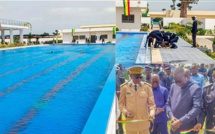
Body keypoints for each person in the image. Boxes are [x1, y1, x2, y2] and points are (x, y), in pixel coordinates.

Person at [118, 66, 156, 134]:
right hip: (131, 123)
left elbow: (152, 104)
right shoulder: (125, 87)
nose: (139, 79)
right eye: (136, 77)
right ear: (131, 76)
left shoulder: (147, 87)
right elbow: (121, 104)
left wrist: (152, 113)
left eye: (140, 77)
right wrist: (126, 113)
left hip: (143, 122)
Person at [166, 67, 202, 134]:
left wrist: (180, 121)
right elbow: (168, 104)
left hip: (188, 129)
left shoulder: (195, 88)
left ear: (187, 76)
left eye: (179, 81)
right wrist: (171, 116)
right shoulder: (173, 86)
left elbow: (197, 108)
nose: (177, 84)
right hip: (174, 128)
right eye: (175, 81)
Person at [193, 68, 215, 134]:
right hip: (209, 128)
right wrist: (200, 122)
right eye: (214, 76)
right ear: (213, 77)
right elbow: (203, 110)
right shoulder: (206, 90)